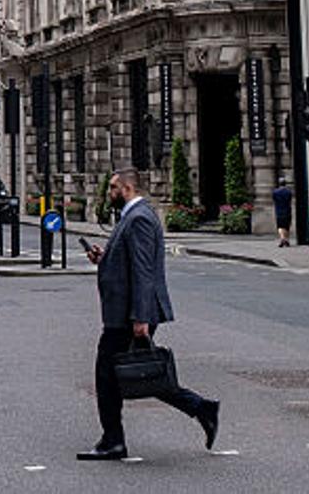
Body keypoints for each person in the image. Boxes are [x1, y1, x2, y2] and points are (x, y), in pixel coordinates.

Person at [81, 168, 219, 462]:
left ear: (128, 188)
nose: (109, 193)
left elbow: (143, 272)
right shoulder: (131, 216)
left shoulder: (140, 218)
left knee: (109, 376)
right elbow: (130, 262)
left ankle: (112, 442)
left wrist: (141, 318)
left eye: (113, 188)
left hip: (130, 314)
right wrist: (104, 259)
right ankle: (201, 408)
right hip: (128, 311)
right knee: (136, 374)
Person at [272, 180, 293, 248]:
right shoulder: (288, 192)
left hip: (279, 211)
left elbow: (274, 200)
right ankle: (286, 239)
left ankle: (282, 239)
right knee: (287, 226)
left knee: (280, 226)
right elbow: (290, 200)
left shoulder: (275, 192)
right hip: (287, 210)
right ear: (285, 184)